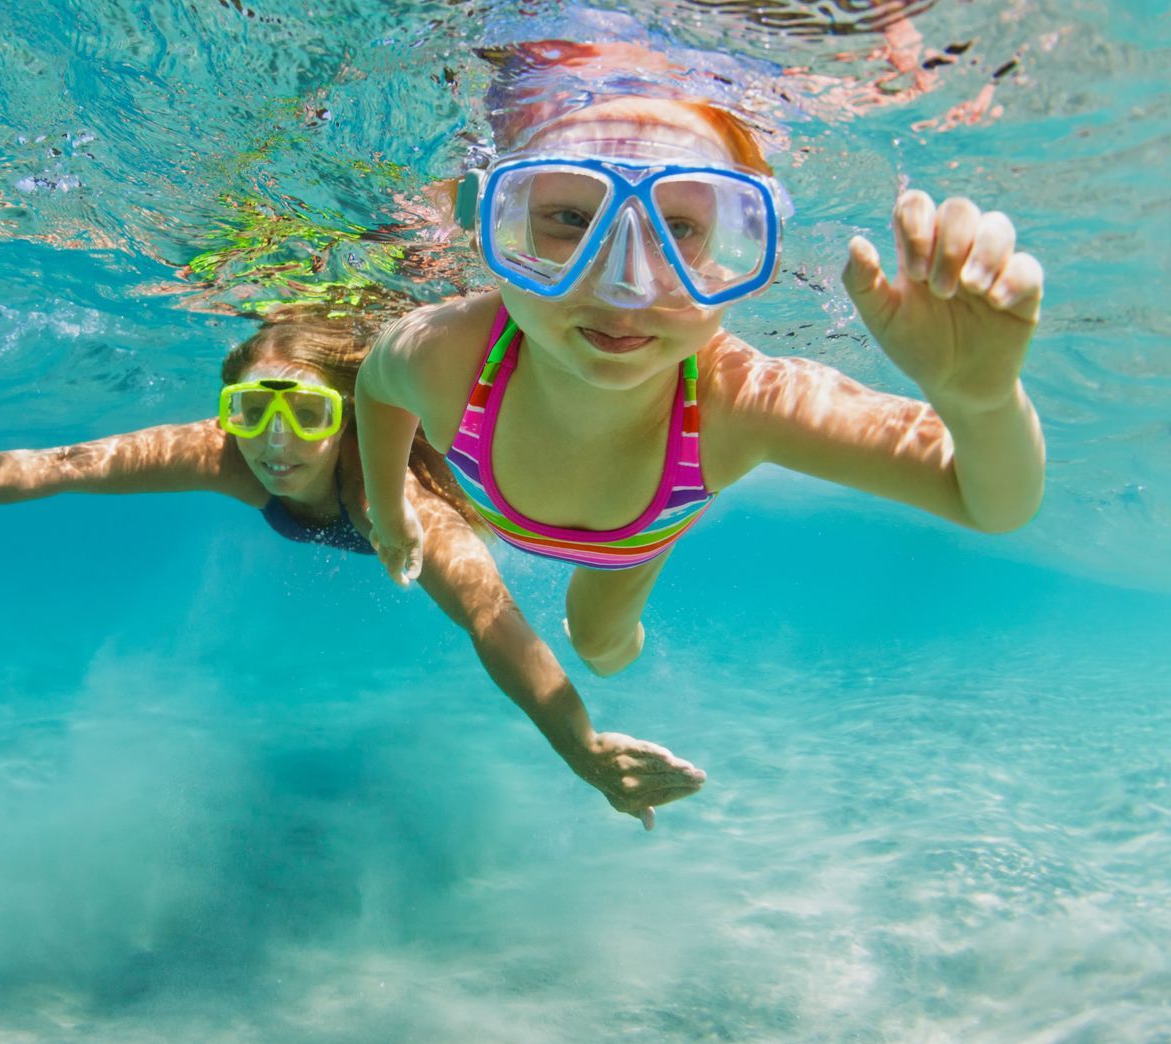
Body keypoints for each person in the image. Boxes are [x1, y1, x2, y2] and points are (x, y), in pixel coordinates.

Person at [0, 308, 706, 827]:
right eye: (250, 411)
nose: (276, 444)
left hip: (521, 482)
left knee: (595, 621)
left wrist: (582, 749)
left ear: (353, 411)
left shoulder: (387, 497)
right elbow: (66, 467)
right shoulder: (223, 456)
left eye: (306, 412)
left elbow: (489, 615)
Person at [355, 41, 1045, 679]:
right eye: (569, 219)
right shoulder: (451, 354)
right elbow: (377, 391)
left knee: (600, 648)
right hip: (617, 509)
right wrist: (391, 516)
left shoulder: (740, 401)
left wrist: (981, 400)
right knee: (597, 648)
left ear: (734, 246)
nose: (625, 284)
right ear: (492, 225)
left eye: (678, 228)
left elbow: (986, 502)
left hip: (633, 543)